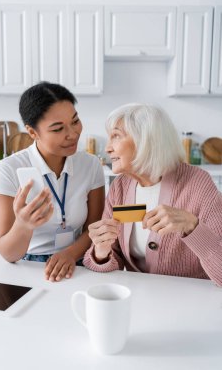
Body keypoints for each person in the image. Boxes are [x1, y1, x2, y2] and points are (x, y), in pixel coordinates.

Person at [83, 104, 222, 286]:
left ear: (145, 140)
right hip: (140, 298)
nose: (108, 148)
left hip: (190, 299)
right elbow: (113, 259)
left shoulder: (197, 183)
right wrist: (101, 251)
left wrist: (192, 226)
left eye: (116, 136)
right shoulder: (121, 186)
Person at [0, 82, 105, 282]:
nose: (73, 134)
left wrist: (69, 254)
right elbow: (8, 254)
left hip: (78, 261)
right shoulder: (7, 170)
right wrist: (23, 225)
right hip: (27, 266)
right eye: (58, 129)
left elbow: (93, 229)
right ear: (33, 132)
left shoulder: (91, 165)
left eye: (75, 121)